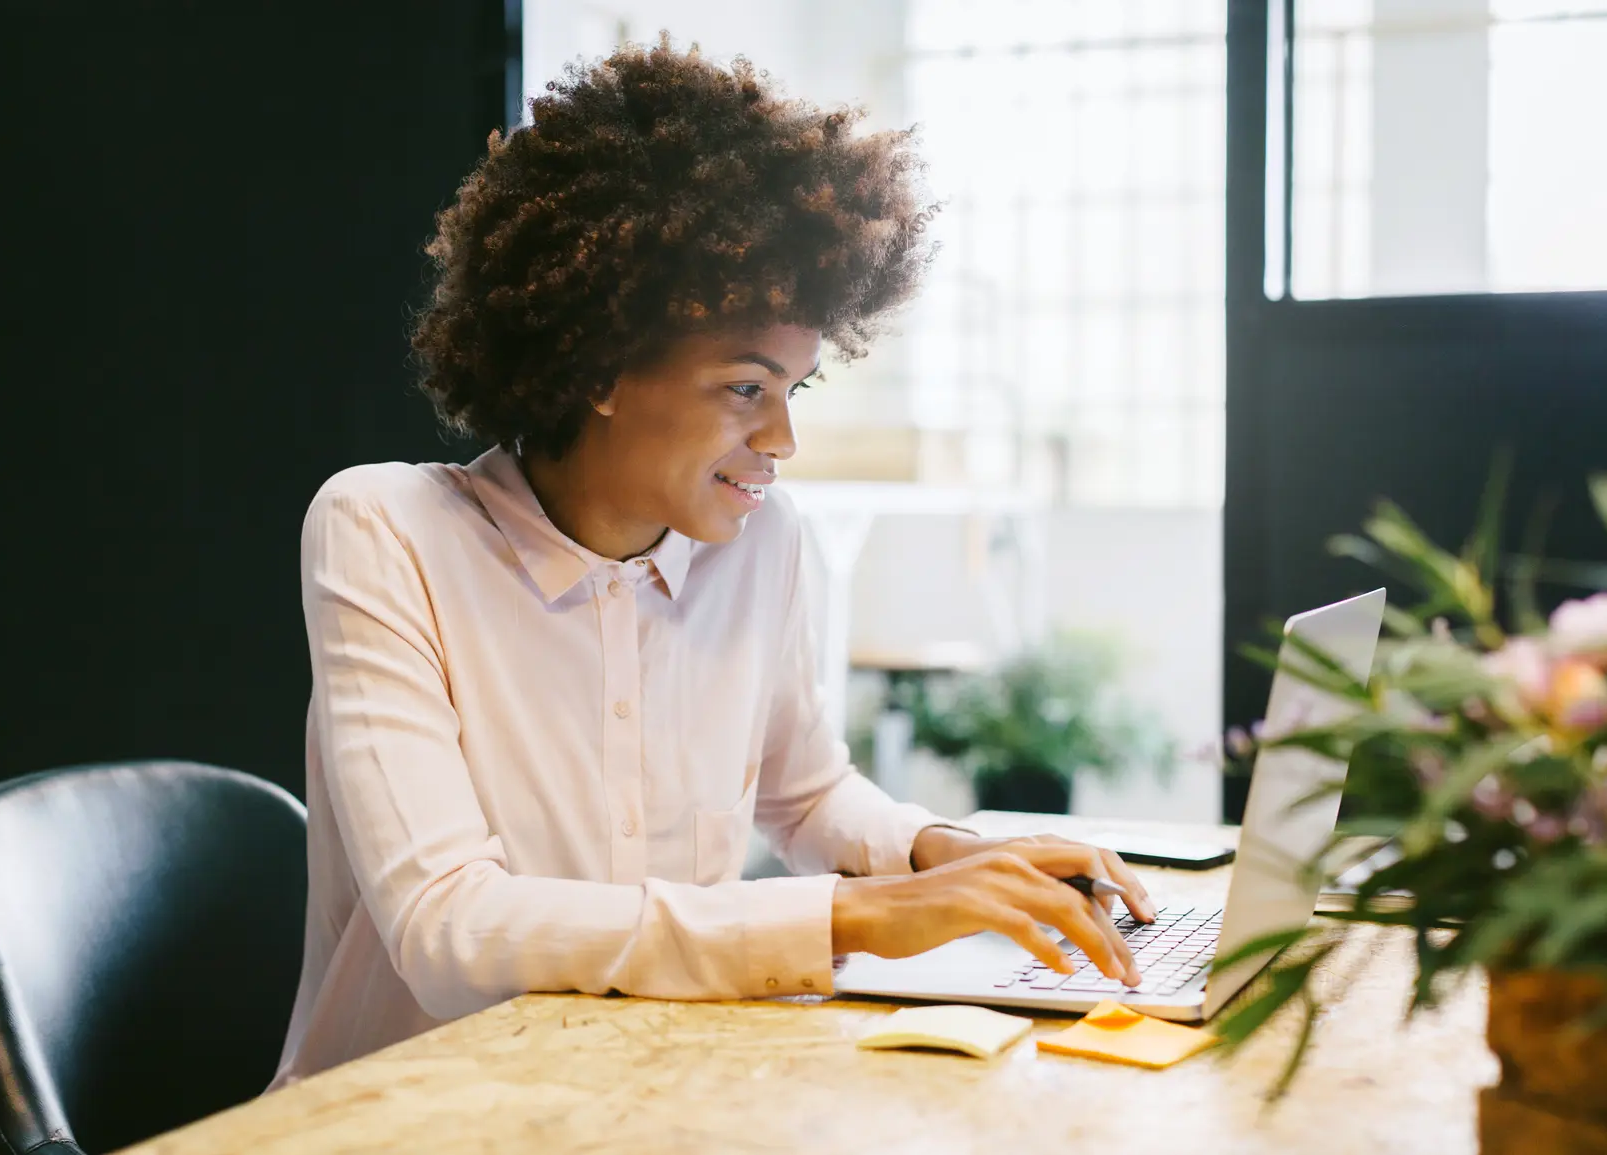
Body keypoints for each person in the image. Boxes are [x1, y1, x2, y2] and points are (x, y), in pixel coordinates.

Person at [269, 38, 1151, 1088]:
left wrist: (939, 854)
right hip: (411, 1111)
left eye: (796, 392)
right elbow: (451, 929)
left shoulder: (759, 543)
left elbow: (808, 794)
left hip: (654, 1088)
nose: (781, 441)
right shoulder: (387, 530)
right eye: (745, 389)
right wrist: (856, 915)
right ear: (598, 363)